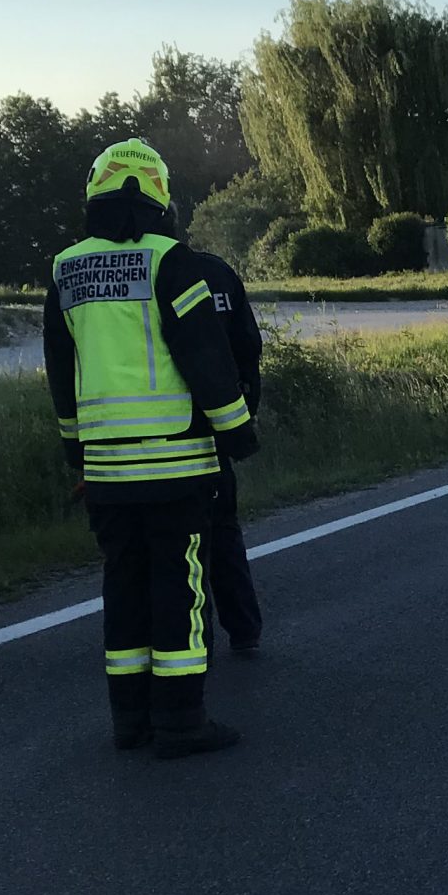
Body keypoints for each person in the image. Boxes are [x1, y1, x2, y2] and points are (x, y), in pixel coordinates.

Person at [45, 139, 258, 757]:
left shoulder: (66, 268)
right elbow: (205, 357)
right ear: (158, 194)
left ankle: (129, 720)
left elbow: (62, 371)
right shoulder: (172, 261)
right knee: (180, 587)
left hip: (107, 470)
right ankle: (182, 721)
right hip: (176, 464)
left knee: (124, 585)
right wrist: (237, 433)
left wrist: (74, 451)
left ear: (96, 191)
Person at [197, 240, 265, 658]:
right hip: (216, 426)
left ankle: (190, 636)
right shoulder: (218, 271)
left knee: (172, 545)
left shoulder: (163, 274)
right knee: (223, 530)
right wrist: (244, 415)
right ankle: (243, 628)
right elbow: (247, 347)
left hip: (160, 434)